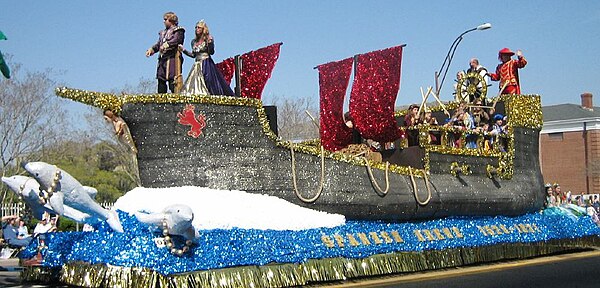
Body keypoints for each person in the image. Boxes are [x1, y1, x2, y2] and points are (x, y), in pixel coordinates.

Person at [179, 20, 234, 96]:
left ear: (203, 29)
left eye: (199, 28)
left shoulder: (207, 39)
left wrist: (210, 43)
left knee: (209, 81)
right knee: (192, 84)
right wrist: (184, 50)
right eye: (196, 27)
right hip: (197, 64)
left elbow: (211, 52)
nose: (197, 29)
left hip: (206, 63)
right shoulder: (194, 42)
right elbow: (193, 55)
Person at [146, 12, 185, 93]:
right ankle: (161, 101)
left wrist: (166, 45)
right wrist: (152, 50)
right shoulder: (162, 33)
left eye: (165, 19)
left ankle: (176, 100)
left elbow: (177, 40)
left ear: (171, 20)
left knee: (173, 80)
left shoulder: (178, 30)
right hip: (162, 59)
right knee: (161, 80)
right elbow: (158, 44)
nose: (164, 21)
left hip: (173, 59)